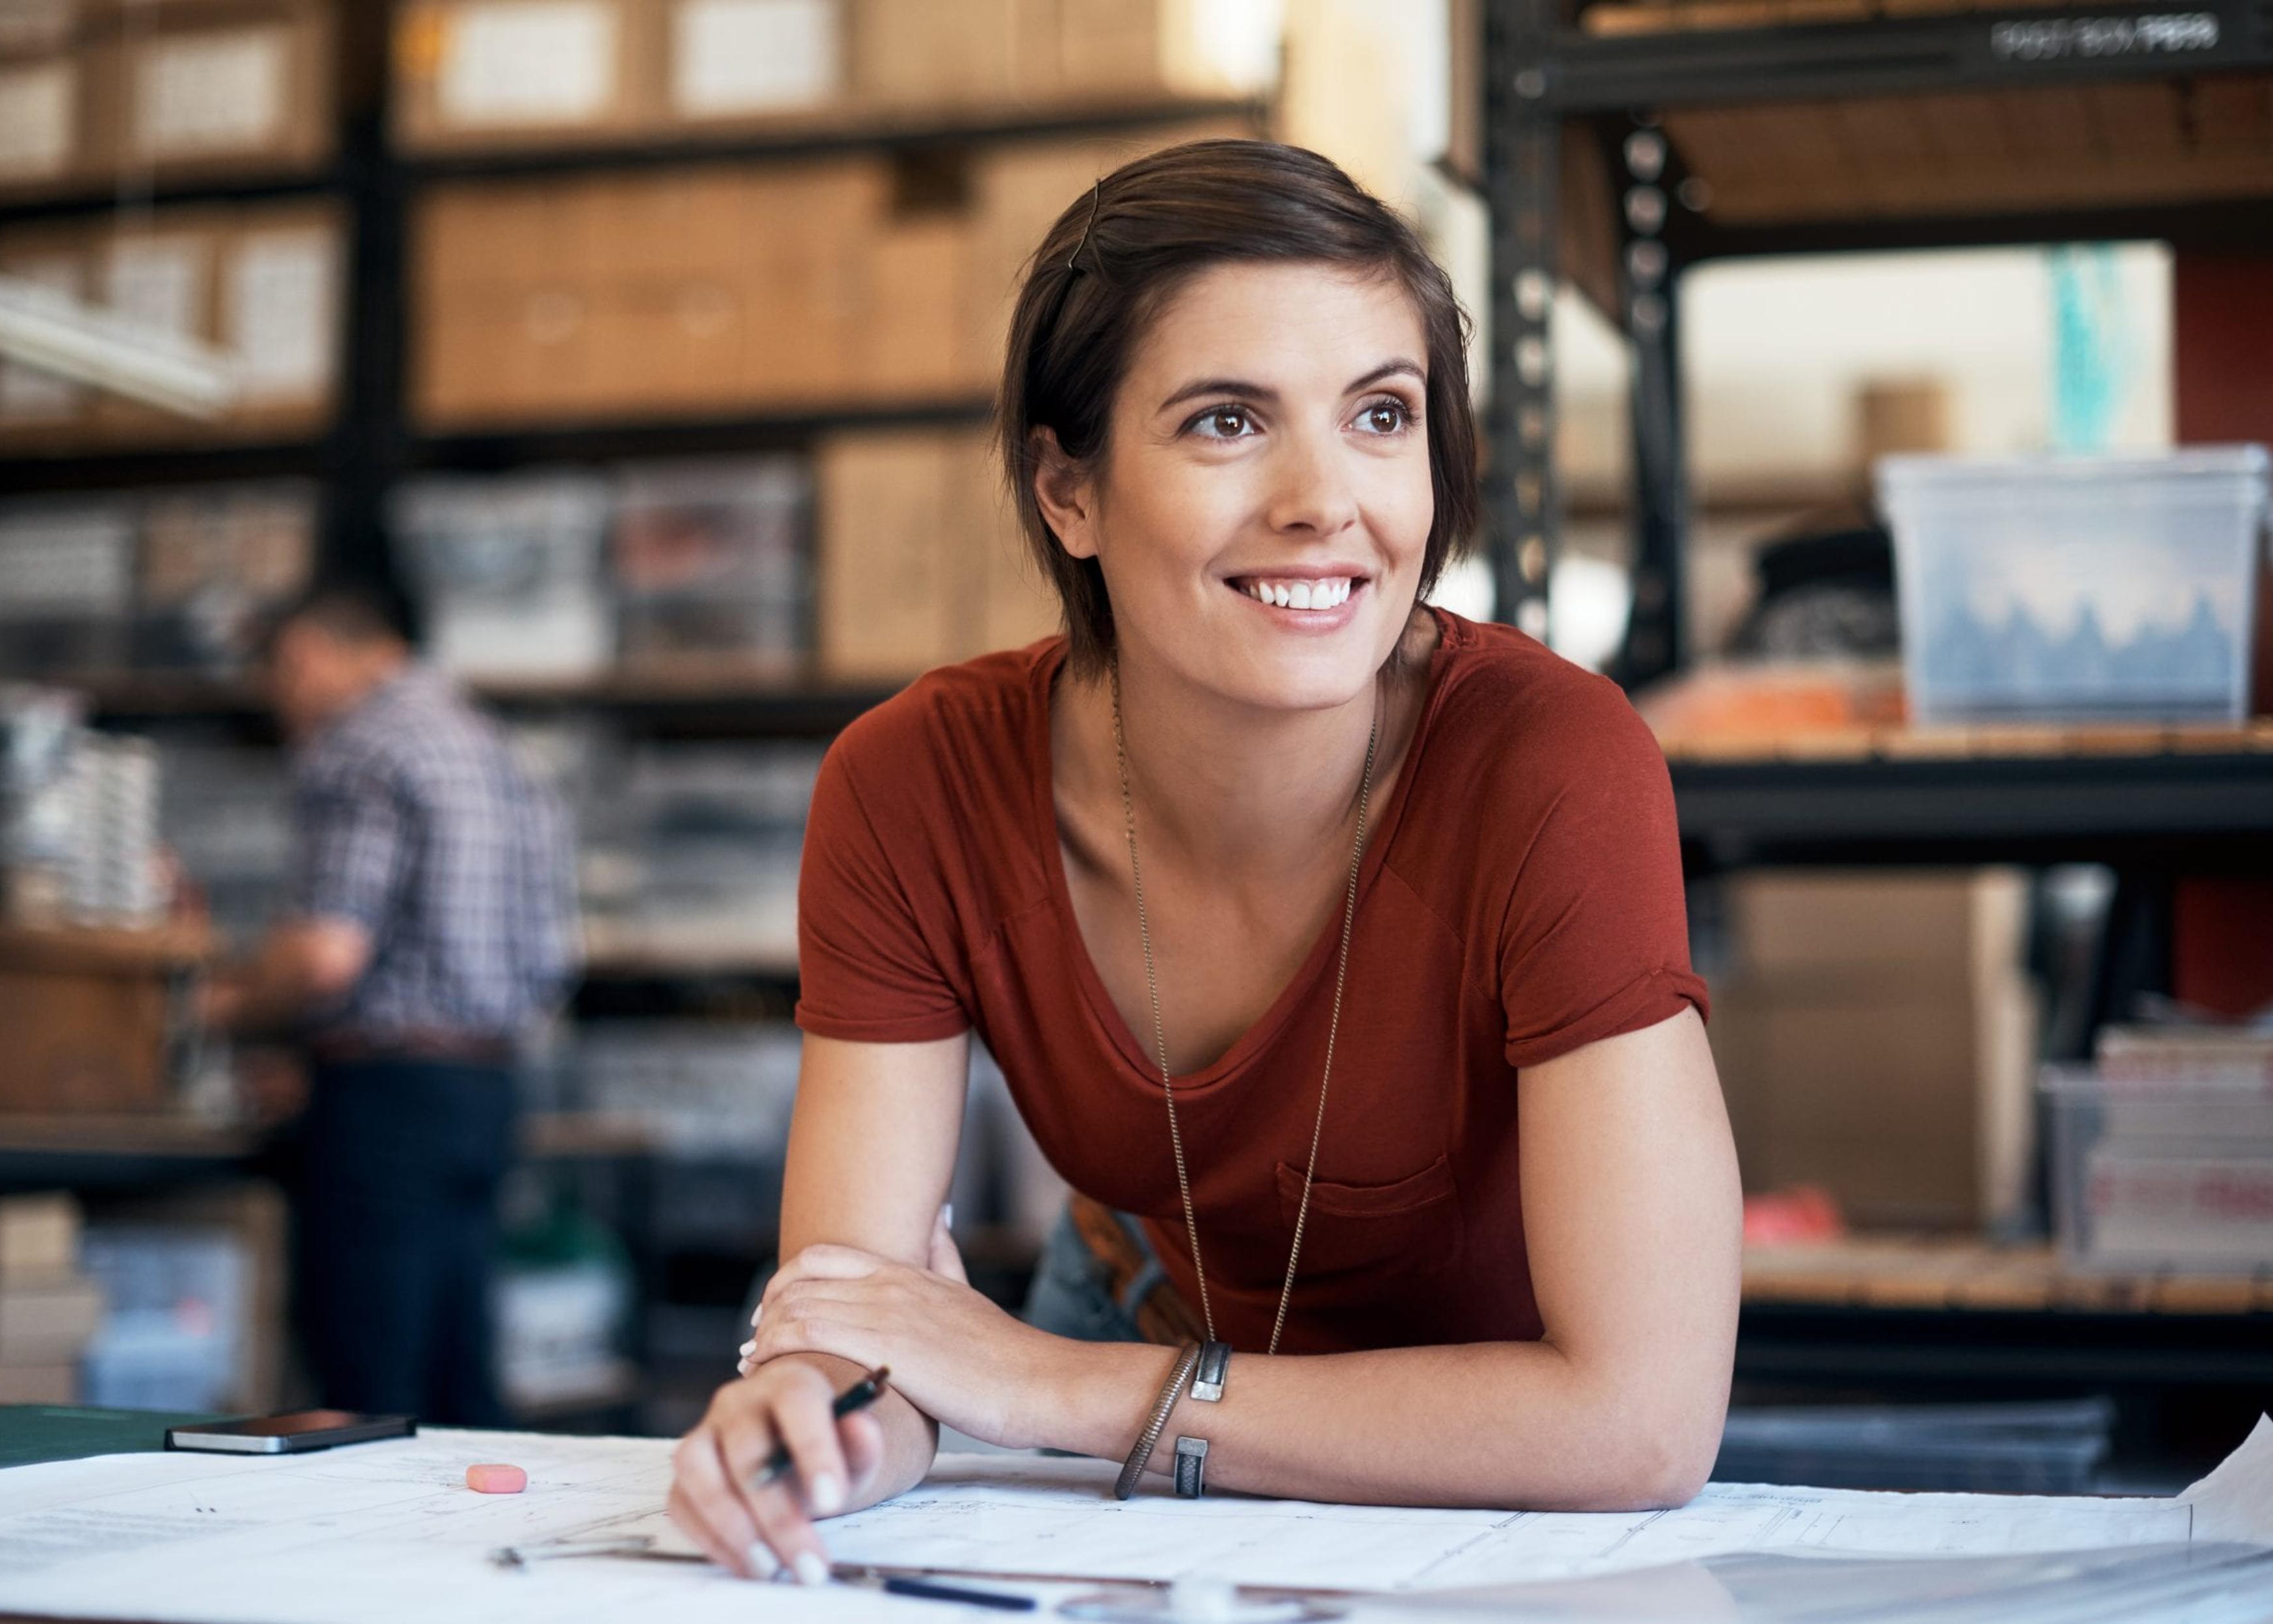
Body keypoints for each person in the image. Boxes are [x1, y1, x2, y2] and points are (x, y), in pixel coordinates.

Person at [665, 139, 1741, 1582]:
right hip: (1134, 1328)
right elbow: (876, 1321)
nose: (1323, 498)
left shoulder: (1554, 761)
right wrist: (814, 1415)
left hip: (1479, 1455)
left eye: (1381, 412)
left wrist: (1043, 1385)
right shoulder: (913, 783)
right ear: (1070, 492)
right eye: (1228, 420)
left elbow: (1639, 1425)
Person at [200, 581, 578, 1426]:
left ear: (309, 656)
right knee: (459, 1378)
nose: (281, 703)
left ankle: (362, 1555)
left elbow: (327, 953)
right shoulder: (502, 751)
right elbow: (556, 954)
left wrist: (217, 1006)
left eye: (281, 678)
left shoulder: (363, 746)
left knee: (366, 1386)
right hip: (490, 1085)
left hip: (386, 1095)